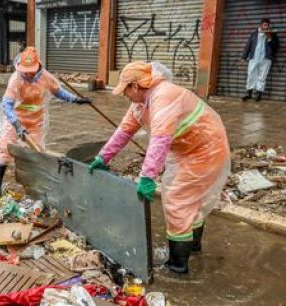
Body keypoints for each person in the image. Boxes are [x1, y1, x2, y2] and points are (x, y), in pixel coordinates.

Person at [89, 61, 230, 274]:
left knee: (177, 202)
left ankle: (177, 265)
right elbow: (124, 131)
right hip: (186, 150)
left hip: (205, 150)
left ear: (135, 86)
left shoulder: (164, 95)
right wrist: (103, 157)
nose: (124, 95)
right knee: (187, 201)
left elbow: (160, 140)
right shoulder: (141, 102)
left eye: (125, 90)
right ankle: (191, 246)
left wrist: (147, 177)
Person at [0, 47, 92, 198]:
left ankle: (36, 188)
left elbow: (58, 91)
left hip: (35, 121)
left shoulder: (45, 77)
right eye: (26, 70)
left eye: (31, 70)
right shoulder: (16, 79)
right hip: (15, 120)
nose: (28, 73)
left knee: (37, 152)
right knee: (4, 149)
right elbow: (7, 105)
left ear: (38, 66)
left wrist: (76, 99)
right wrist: (17, 125)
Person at [241, 18, 280, 102]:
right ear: (261, 25)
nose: (265, 26)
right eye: (264, 25)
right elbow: (249, 45)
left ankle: (259, 94)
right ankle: (249, 93)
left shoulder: (272, 34)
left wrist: (269, 38)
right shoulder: (254, 34)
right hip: (254, 57)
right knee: (251, 74)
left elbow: (276, 47)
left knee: (262, 76)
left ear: (269, 25)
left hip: (266, 58)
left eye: (267, 25)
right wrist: (244, 56)